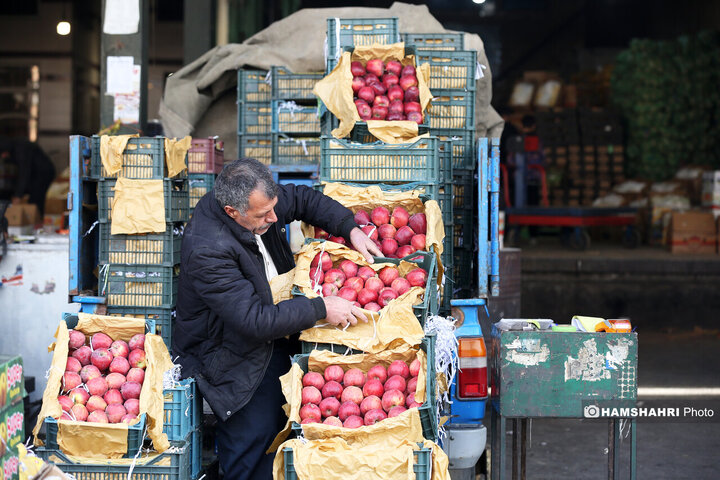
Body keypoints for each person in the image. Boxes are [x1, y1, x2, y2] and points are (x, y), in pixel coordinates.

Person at [173, 158, 381, 479]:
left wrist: (349, 228)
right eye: (262, 215)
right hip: (232, 359)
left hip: (274, 333)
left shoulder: (257, 202)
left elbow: (303, 198)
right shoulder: (208, 249)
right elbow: (254, 321)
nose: (274, 217)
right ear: (232, 212)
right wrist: (321, 308)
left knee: (288, 438)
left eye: (273, 208)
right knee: (256, 447)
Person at [0, 137, 56, 215]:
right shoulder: (15, 149)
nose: (3, 156)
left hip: (43, 173)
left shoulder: (21, 149)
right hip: (35, 174)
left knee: (36, 199)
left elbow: (24, 173)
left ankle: (37, 221)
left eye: (2, 153)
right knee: (33, 198)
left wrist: (18, 195)